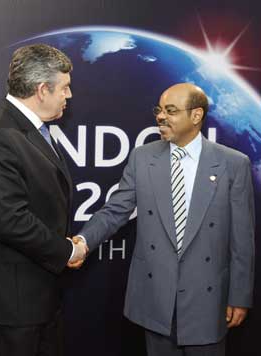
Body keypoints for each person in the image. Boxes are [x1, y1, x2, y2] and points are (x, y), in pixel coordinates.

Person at [69, 83, 255, 356]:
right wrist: (83, 242)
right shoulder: (142, 158)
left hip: (208, 300)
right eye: (159, 110)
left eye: (171, 110)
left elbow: (243, 239)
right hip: (156, 298)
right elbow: (116, 210)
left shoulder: (233, 164)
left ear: (196, 116)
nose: (160, 117)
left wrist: (240, 296)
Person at [0, 44, 88, 356]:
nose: (69, 96)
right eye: (65, 87)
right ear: (42, 90)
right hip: (8, 309)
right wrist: (67, 249)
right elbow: (11, 221)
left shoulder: (28, 130)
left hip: (36, 301)